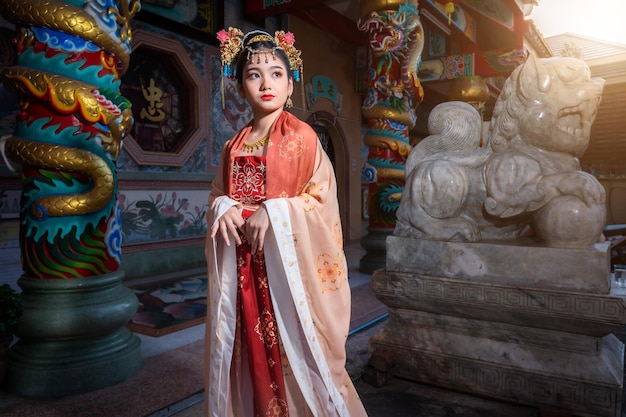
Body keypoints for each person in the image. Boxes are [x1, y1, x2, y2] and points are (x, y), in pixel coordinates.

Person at [204, 27, 369, 417]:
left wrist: (276, 212)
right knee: (249, 350)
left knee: (292, 351)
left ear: (290, 83)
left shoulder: (304, 137)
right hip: (243, 267)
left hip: (287, 270)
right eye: (254, 74)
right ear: (240, 85)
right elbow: (215, 195)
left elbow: (321, 199)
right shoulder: (234, 145)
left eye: (276, 73)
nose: (266, 83)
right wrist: (223, 207)